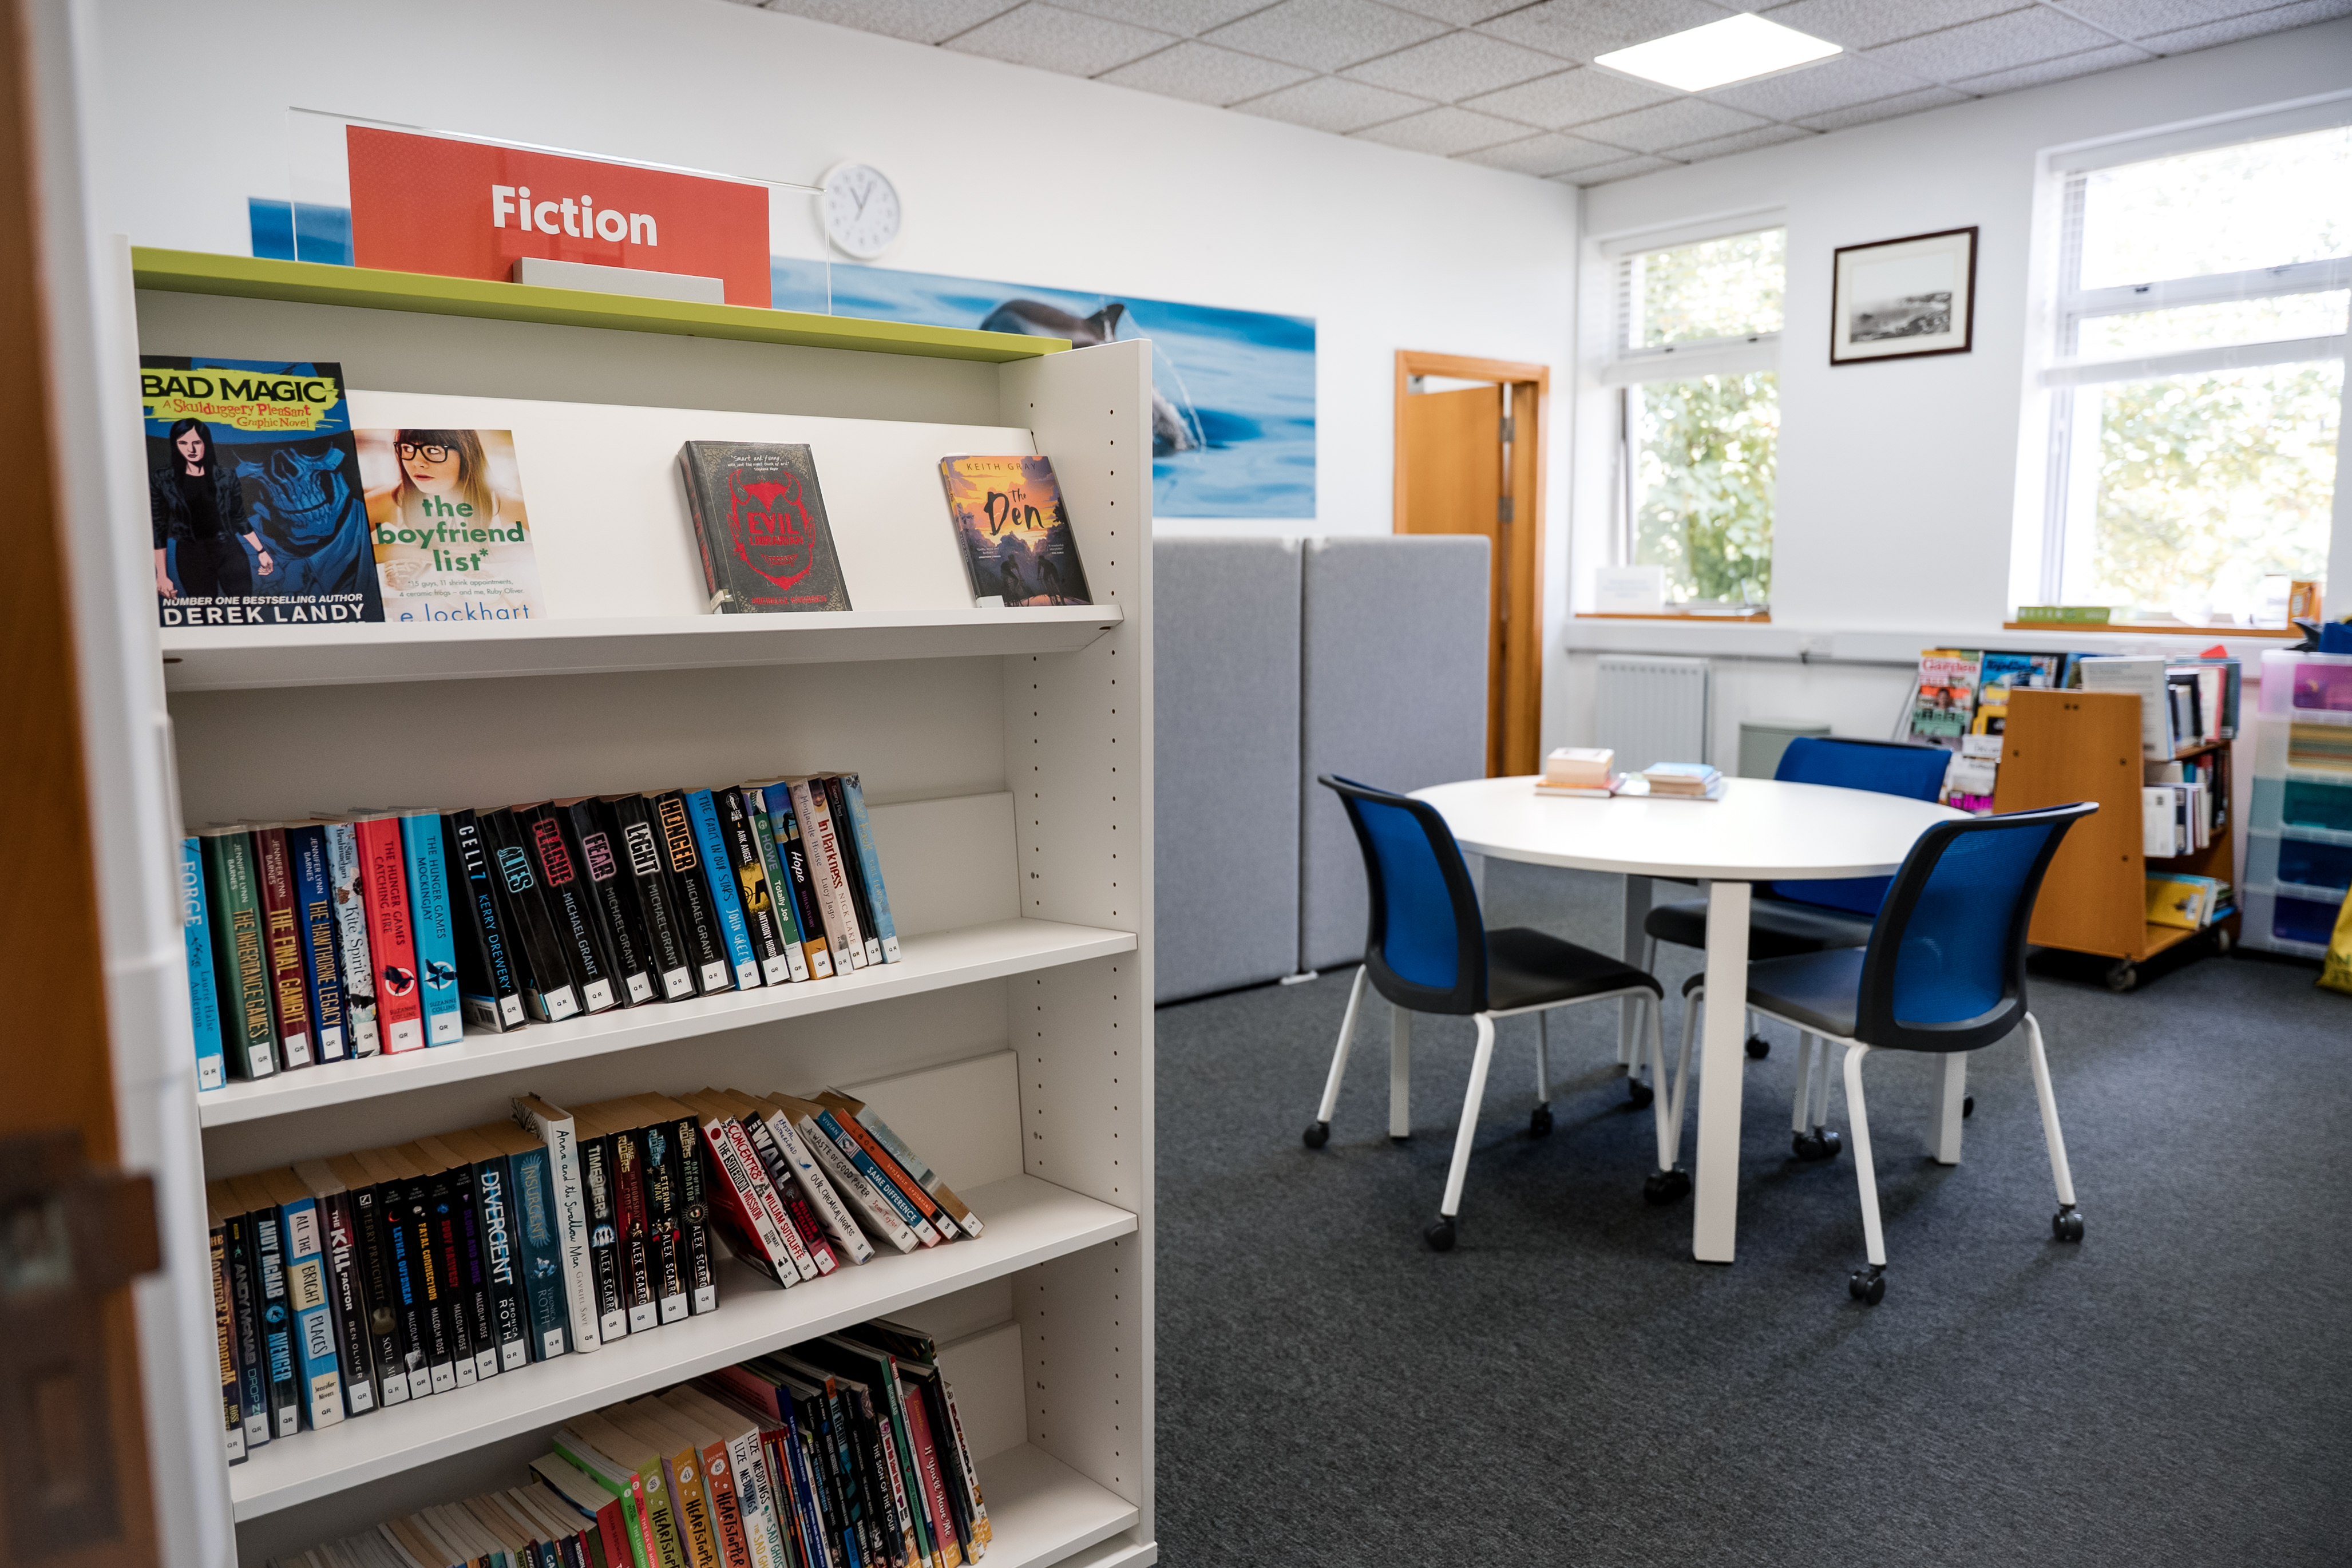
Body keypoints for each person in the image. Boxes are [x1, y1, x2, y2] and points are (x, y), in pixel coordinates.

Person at [149, 417, 271, 600]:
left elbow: (239, 518)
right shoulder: (164, 479)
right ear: (176, 445)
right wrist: (162, 575)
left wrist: (261, 552)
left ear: (206, 443)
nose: (191, 449)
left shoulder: (226, 476)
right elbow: (158, 528)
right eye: (183, 443)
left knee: (245, 613)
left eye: (197, 442)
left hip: (229, 552)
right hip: (191, 557)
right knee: (206, 616)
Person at [363, 429, 527, 533]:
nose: (417, 462)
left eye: (434, 450)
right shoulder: (382, 503)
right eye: (407, 448)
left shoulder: (509, 506)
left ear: (467, 455)